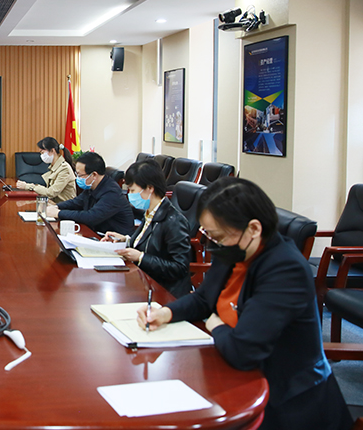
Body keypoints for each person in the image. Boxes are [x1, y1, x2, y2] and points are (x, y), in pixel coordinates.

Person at [138, 177, 353, 430]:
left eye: (217, 235)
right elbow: (204, 298)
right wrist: (166, 312)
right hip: (232, 369)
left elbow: (242, 351)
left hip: (288, 401)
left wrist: (216, 325)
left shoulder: (286, 270)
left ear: (253, 228)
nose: (213, 243)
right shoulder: (233, 248)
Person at [101, 160, 192, 297]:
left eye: (133, 190)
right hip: (145, 281)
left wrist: (141, 257)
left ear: (150, 188)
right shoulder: (150, 212)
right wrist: (125, 240)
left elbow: (180, 268)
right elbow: (149, 242)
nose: (130, 194)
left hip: (164, 291)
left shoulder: (174, 221)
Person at [46, 151, 134, 235]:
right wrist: (56, 207)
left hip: (114, 239)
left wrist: (58, 213)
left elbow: (91, 217)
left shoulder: (111, 193)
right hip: (98, 233)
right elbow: (77, 202)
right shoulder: (92, 186)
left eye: (80, 175)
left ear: (94, 175)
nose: (78, 178)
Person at [14, 137, 75, 203]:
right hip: (53, 204)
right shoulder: (54, 167)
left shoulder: (64, 168)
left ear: (52, 151)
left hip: (64, 207)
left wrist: (28, 186)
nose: (41, 156)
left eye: (42, 152)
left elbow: (51, 192)